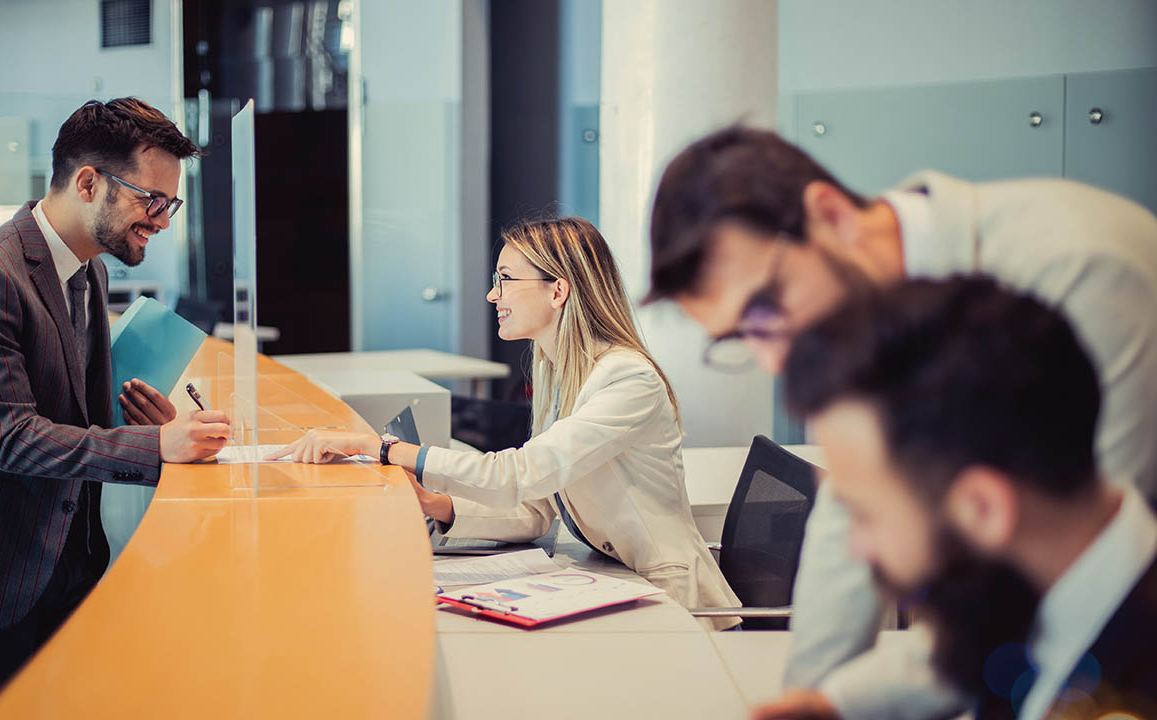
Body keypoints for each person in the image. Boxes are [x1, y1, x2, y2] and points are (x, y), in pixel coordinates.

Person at [644, 124, 1157, 718]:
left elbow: (1065, 589)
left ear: (832, 217)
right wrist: (818, 701)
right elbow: (850, 520)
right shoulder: (845, 319)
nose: (774, 360)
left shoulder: (1079, 270)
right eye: (739, 338)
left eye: (764, 308)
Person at [0, 97, 232, 718]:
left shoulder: (90, 271)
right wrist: (156, 449)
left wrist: (145, 422)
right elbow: (12, 439)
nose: (163, 220)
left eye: (170, 203)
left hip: (64, 560)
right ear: (89, 182)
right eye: (151, 199)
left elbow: (68, 409)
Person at [270, 217, 740, 626]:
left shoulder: (626, 379)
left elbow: (517, 475)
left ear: (558, 290)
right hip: (613, 579)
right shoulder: (556, 368)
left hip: (673, 604)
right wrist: (435, 504)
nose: (493, 294)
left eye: (506, 279)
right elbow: (537, 510)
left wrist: (381, 447)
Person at [757, 276, 1157, 719]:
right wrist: (834, 707)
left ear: (983, 509)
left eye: (864, 514)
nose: (855, 546)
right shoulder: (1029, 590)